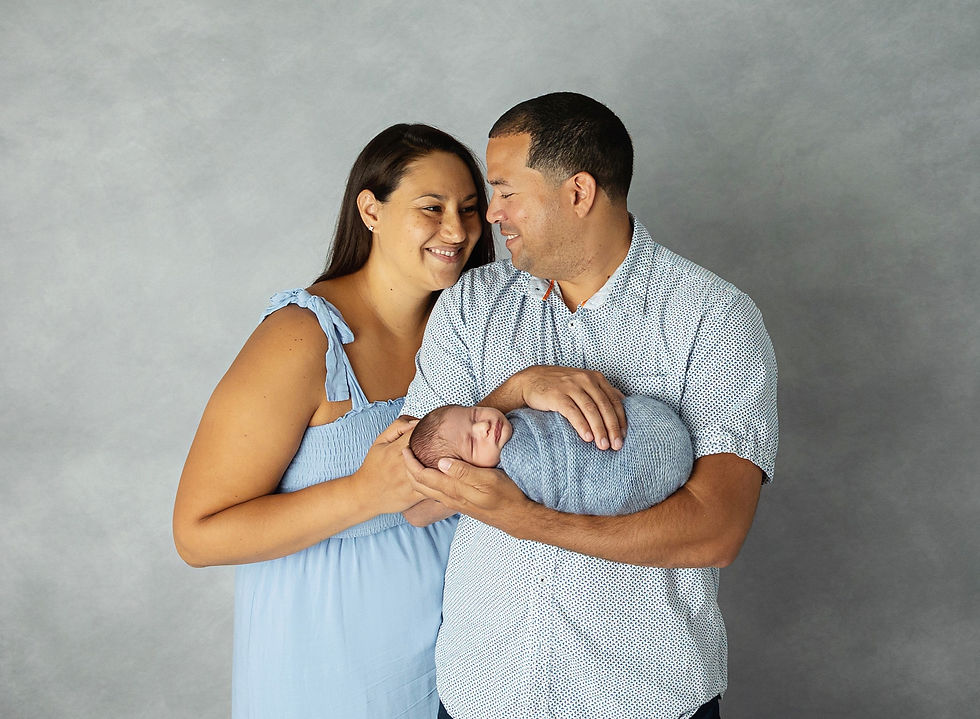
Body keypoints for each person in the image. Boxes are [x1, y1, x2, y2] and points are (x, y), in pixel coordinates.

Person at [401, 93, 779, 719]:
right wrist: (514, 391)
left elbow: (716, 530)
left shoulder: (714, 318)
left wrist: (525, 519)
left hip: (643, 697)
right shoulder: (472, 304)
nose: (489, 214)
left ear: (578, 192)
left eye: (505, 191)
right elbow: (413, 500)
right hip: (484, 692)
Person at [171, 123, 494, 719]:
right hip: (330, 671)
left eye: (470, 209)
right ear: (371, 211)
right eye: (432, 208)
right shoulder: (302, 339)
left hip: (467, 661)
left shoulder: (476, 329)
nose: (457, 230)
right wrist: (364, 493)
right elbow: (197, 535)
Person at [408, 397, 692, 516]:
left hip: (644, 428)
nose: (483, 427)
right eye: (472, 443)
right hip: (622, 474)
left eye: (474, 414)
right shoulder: (514, 469)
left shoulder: (514, 420)